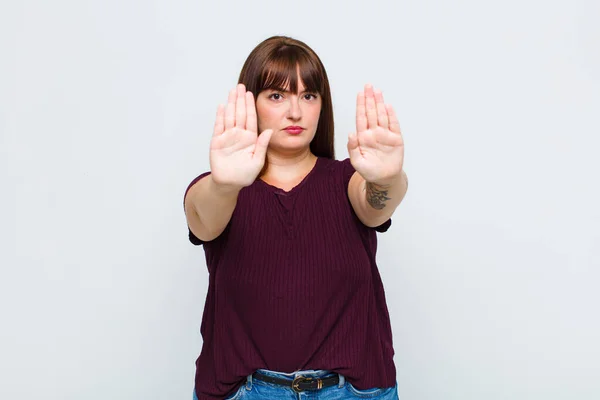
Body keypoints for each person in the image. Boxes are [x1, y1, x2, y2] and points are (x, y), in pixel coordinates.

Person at [183, 35, 408, 400]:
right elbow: (203, 220)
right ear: (251, 102)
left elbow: (375, 205)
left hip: (351, 393)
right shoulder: (219, 189)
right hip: (246, 392)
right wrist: (225, 185)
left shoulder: (347, 180)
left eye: (308, 95)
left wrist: (386, 178)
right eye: (277, 96)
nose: (295, 112)